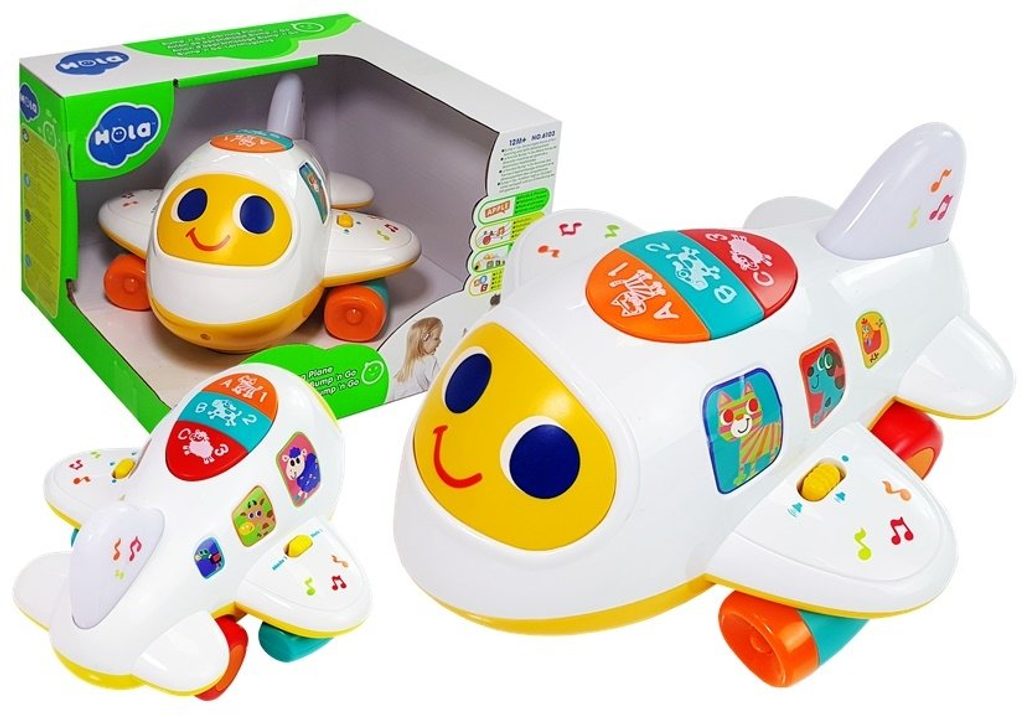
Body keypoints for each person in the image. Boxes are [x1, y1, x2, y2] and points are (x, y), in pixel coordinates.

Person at [390, 317, 443, 400]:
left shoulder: (397, 377)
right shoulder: (428, 361)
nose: (440, 341)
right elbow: (442, 384)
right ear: (424, 339)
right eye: (436, 338)